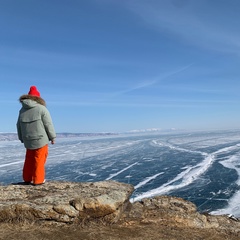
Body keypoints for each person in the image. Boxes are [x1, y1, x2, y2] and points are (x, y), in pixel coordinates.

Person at [16, 86, 56, 185]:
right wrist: (52, 137)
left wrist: (21, 138)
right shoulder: (42, 109)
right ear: (38, 98)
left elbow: (18, 125)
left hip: (28, 139)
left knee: (29, 159)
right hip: (40, 139)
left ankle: (27, 179)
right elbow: (48, 124)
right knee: (39, 159)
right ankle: (38, 180)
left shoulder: (22, 110)